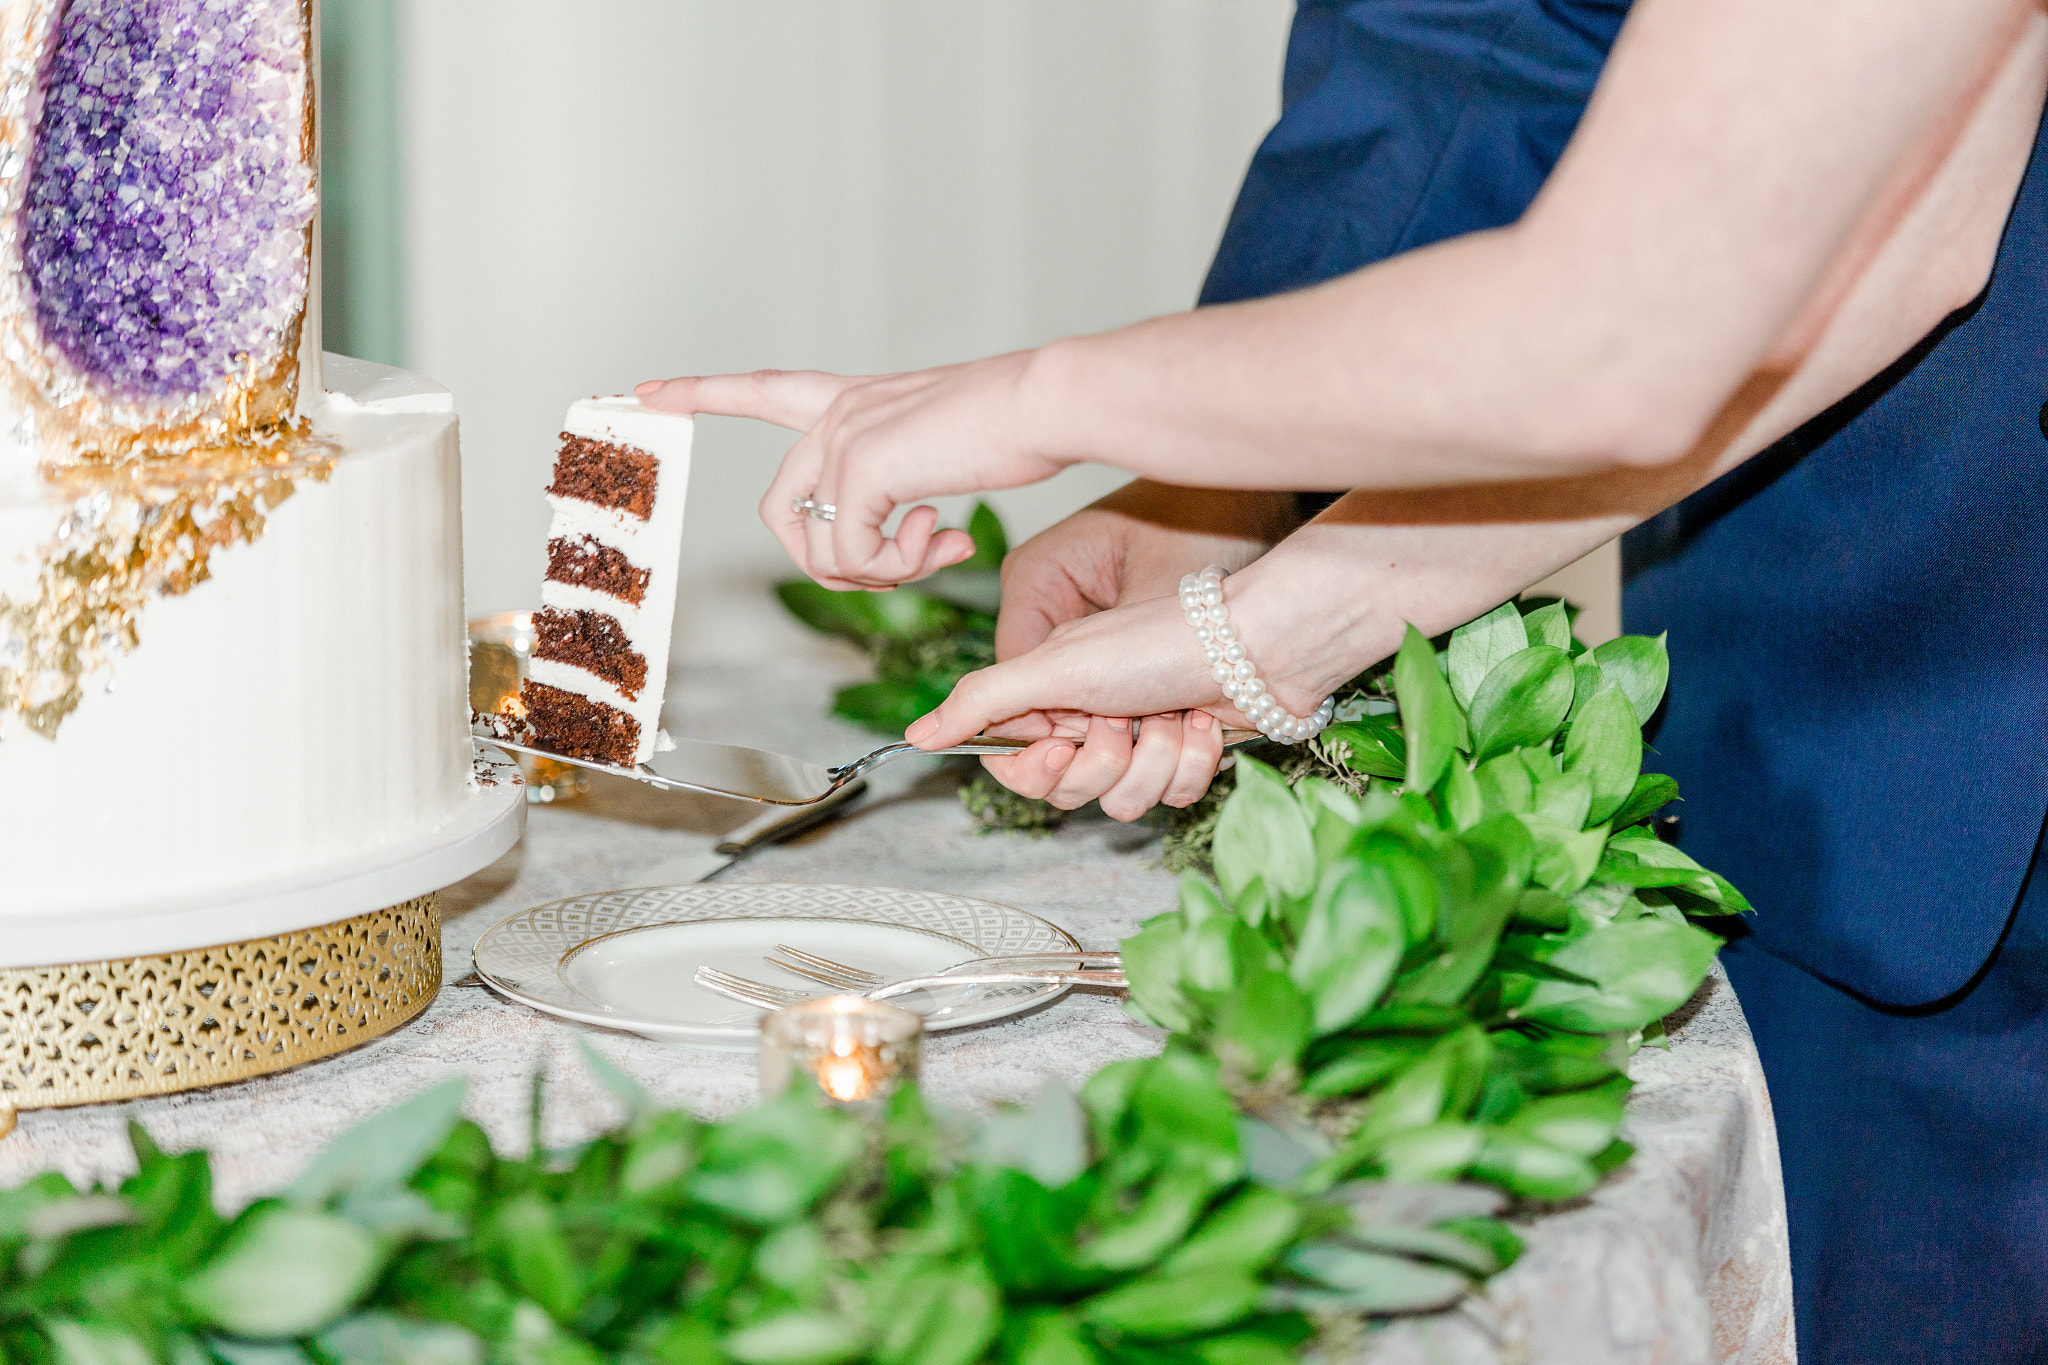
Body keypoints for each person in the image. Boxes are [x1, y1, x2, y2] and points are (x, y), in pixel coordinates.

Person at [639, 0, 2048, 1357]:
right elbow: (1874, 224)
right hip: (1828, 725)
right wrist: (1238, 554)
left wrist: (1028, 400)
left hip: (1969, 653)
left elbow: (1648, 333)